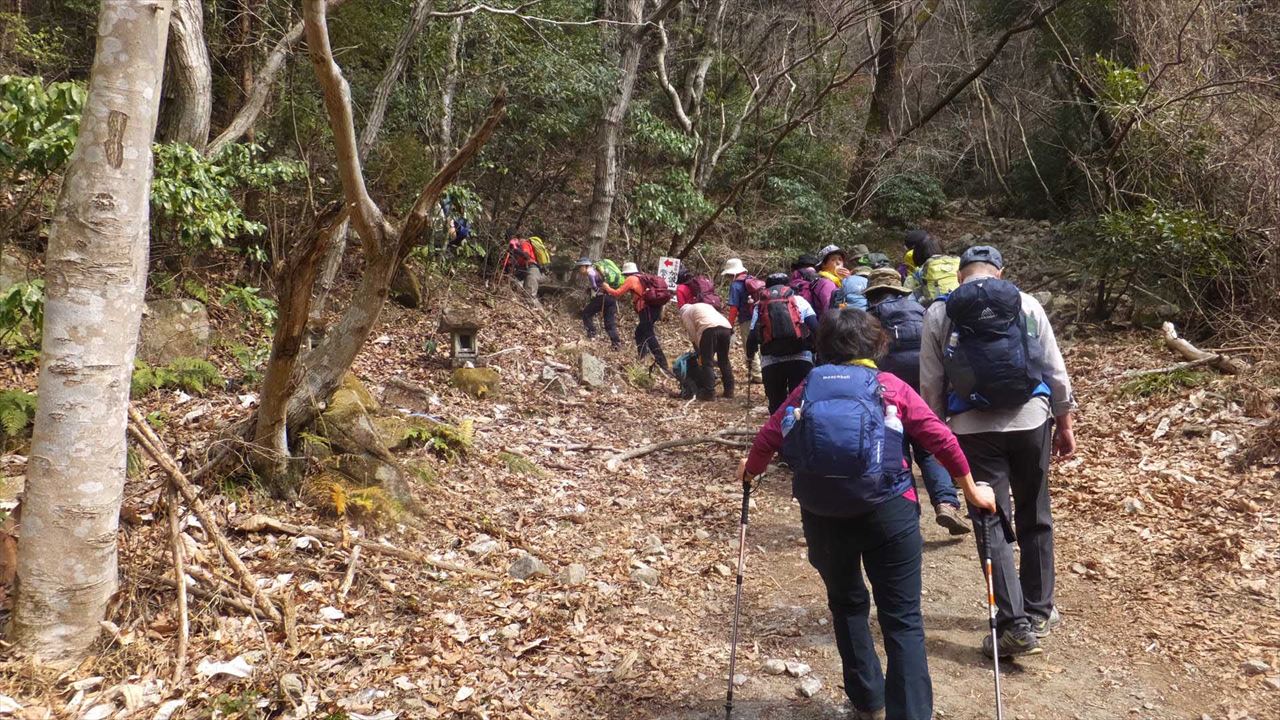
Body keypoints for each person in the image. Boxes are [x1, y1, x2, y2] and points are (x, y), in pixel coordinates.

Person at [738, 308, 996, 720]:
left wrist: (750, 471)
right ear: (877, 345)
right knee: (902, 618)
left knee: (846, 605)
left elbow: (770, 435)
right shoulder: (890, 386)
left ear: (823, 346)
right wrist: (970, 490)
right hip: (888, 511)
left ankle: (867, 700)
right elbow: (940, 439)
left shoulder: (810, 387)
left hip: (822, 513)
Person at [919, 245, 1076, 658]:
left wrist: (938, 435)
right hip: (1031, 420)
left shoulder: (940, 311)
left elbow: (931, 383)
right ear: (1000, 272)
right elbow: (1054, 369)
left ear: (960, 276)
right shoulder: (1026, 303)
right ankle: (1038, 612)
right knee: (1035, 514)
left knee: (990, 520)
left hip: (972, 428)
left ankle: (1012, 625)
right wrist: (1065, 423)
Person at [864, 268, 969, 535]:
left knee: (896, 448)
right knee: (927, 447)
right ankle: (946, 502)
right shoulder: (921, 310)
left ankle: (909, 511)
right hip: (923, 384)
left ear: (873, 292)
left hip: (888, 390)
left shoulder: (870, 316)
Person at [746, 273, 819, 412]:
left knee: (776, 405)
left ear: (766, 288)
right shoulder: (799, 300)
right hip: (801, 357)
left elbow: (752, 336)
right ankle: (798, 425)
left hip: (771, 360)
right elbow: (815, 327)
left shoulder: (760, 305)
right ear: (788, 286)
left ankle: (778, 426)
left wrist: (750, 356)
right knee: (799, 403)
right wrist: (816, 350)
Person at [604, 262, 671, 375]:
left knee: (649, 335)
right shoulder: (642, 277)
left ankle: (663, 363)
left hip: (646, 309)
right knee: (639, 333)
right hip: (655, 308)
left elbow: (617, 293)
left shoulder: (631, 279)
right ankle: (643, 357)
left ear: (627, 273)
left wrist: (607, 287)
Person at [679, 302, 734, 400]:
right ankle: (729, 391)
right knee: (724, 360)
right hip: (726, 328)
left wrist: (700, 351)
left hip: (709, 329)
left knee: (707, 362)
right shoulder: (703, 306)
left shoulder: (686, 314)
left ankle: (709, 392)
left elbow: (693, 334)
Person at [722, 258, 762, 382]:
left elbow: (734, 308)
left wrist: (729, 325)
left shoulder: (736, 285)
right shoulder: (753, 280)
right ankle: (764, 371)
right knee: (760, 345)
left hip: (747, 319)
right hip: (761, 317)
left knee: (749, 345)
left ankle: (757, 375)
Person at [576, 257, 621, 350]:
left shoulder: (590, 272)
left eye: (580, 267)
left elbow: (595, 287)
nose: (579, 270)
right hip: (611, 297)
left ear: (584, 266)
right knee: (609, 322)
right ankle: (616, 343)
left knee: (586, 313)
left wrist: (593, 289)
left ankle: (591, 334)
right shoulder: (597, 270)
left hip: (602, 298)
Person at [902, 230, 958, 305]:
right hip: (962, 304)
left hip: (936, 309)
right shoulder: (956, 262)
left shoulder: (918, 274)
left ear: (917, 253)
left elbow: (906, 302)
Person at [501, 230, 542, 302]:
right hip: (522, 269)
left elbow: (526, 256)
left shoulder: (524, 244)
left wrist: (515, 249)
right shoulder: (515, 249)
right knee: (511, 281)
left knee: (529, 295)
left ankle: (534, 307)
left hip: (532, 268)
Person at [811, 245, 849, 318]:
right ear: (823, 265)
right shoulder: (827, 283)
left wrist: (848, 280)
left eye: (840, 259)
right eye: (833, 260)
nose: (838, 263)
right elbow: (829, 312)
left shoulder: (838, 281)